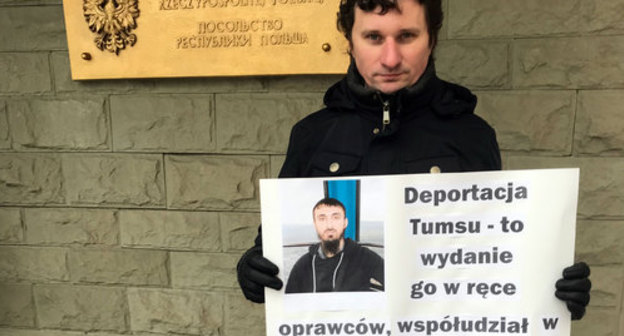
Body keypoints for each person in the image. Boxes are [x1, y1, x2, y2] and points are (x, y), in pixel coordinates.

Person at [237, 0, 591, 320]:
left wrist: (551, 291)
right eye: (374, 37)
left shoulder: (470, 134)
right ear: (350, 41)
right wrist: (253, 269)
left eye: (406, 36)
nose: (390, 58)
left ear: (431, 39)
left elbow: (491, 253)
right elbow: (270, 244)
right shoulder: (312, 134)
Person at [285, 197, 384, 293]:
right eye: (322, 219)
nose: (329, 226)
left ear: (345, 223)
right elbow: (288, 303)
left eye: (336, 218)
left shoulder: (364, 257)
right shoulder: (303, 265)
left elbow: (395, 282)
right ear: (315, 224)